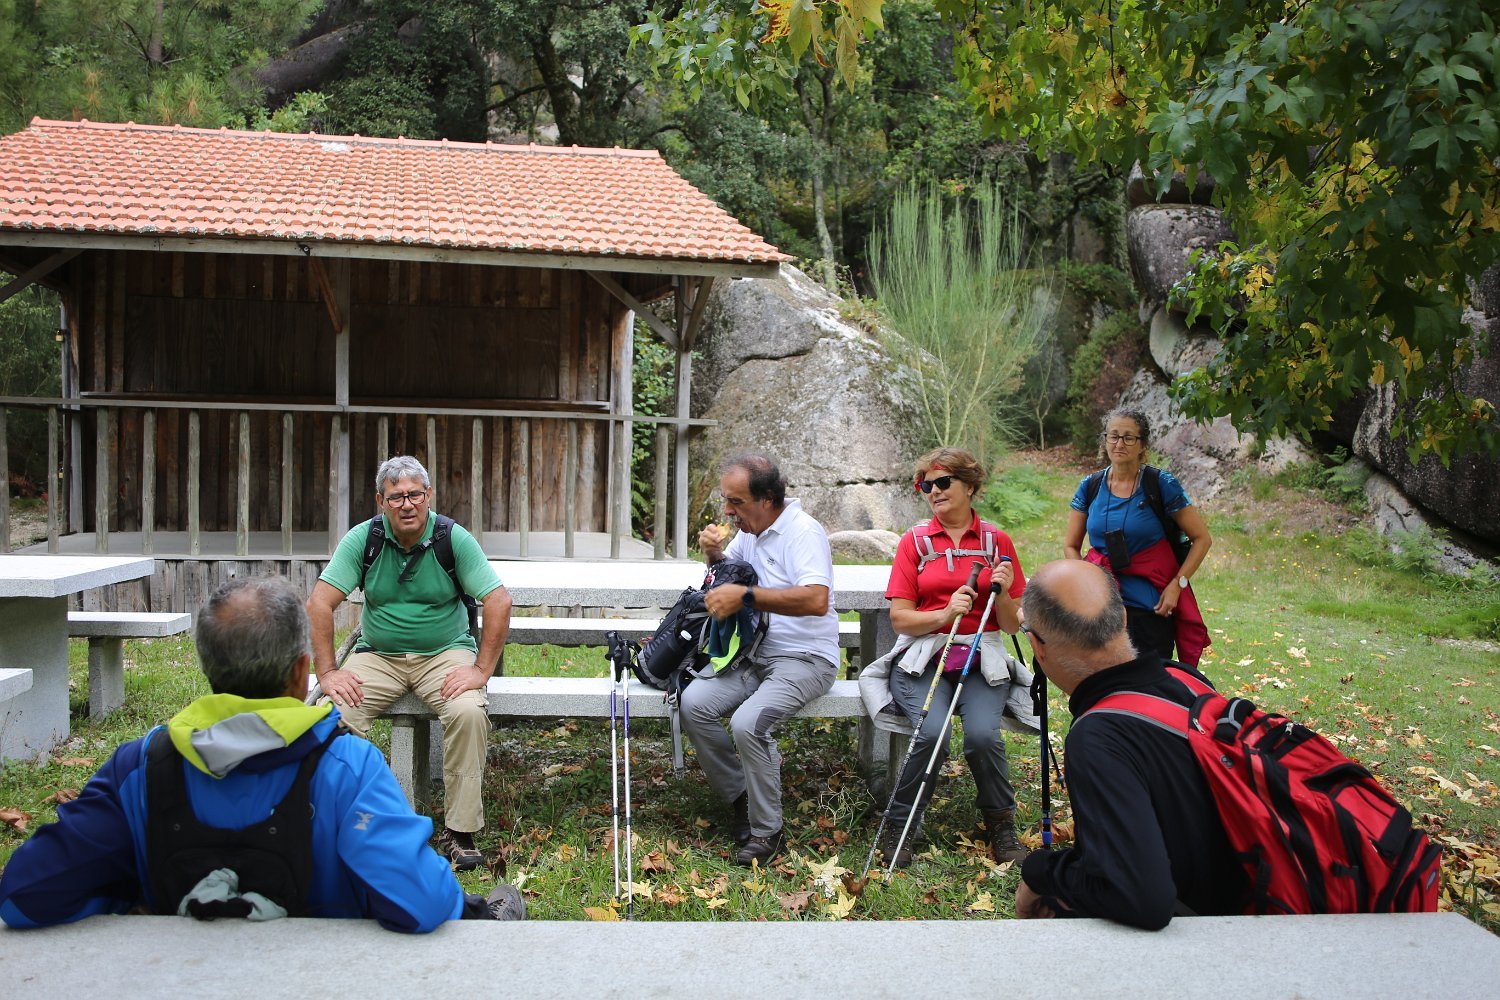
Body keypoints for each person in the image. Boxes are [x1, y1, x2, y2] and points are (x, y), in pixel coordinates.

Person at [0, 577, 523, 929]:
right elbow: (423, 902)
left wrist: (126, 893)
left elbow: (25, 894)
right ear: (301, 672)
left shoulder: (138, 766)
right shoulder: (349, 767)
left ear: (207, 667)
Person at [308, 455, 512, 871]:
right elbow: (319, 604)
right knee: (330, 717)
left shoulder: (452, 538)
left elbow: (498, 600)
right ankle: (340, 819)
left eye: (414, 495)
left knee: (468, 711)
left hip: (444, 654)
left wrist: (481, 670)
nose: (407, 504)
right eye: (396, 497)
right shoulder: (363, 539)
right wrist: (327, 673)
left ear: (428, 495)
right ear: (380, 501)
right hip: (378, 656)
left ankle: (459, 831)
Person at [1014, 559, 1244, 929]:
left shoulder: (1097, 739)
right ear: (1122, 619)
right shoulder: (1185, 679)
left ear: (1038, 647)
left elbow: (1144, 900)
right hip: (1260, 886)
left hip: (1223, 932)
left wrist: (1041, 871)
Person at [858, 447, 1034, 869]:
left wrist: (1004, 593)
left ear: (970, 486)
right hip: (923, 656)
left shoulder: (996, 542)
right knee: (932, 732)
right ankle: (901, 826)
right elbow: (900, 619)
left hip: (981, 657)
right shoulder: (915, 542)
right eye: (926, 485)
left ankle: (1001, 825)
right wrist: (944, 614)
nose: (933, 491)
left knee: (983, 737)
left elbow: (1011, 625)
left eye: (942, 482)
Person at [683, 453, 842, 866]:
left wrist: (747, 597)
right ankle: (743, 798)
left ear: (767, 499)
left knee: (748, 723)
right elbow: (731, 578)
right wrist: (714, 556)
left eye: (736, 502)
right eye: (725, 500)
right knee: (694, 704)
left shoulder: (803, 532)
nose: (728, 511)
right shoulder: (750, 531)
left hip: (806, 658)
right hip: (754, 653)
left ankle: (766, 831)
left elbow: (816, 599)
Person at [1063, 408, 1212, 665]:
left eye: (1129, 437)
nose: (1119, 444)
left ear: (1143, 445)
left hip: (1151, 610)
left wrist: (1177, 585)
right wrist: (1086, 586)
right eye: (1113, 436)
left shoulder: (1160, 484)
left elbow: (1202, 539)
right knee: (1105, 682)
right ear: (1105, 440)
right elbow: (1071, 546)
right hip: (1103, 609)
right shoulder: (1091, 486)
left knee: (1150, 682)